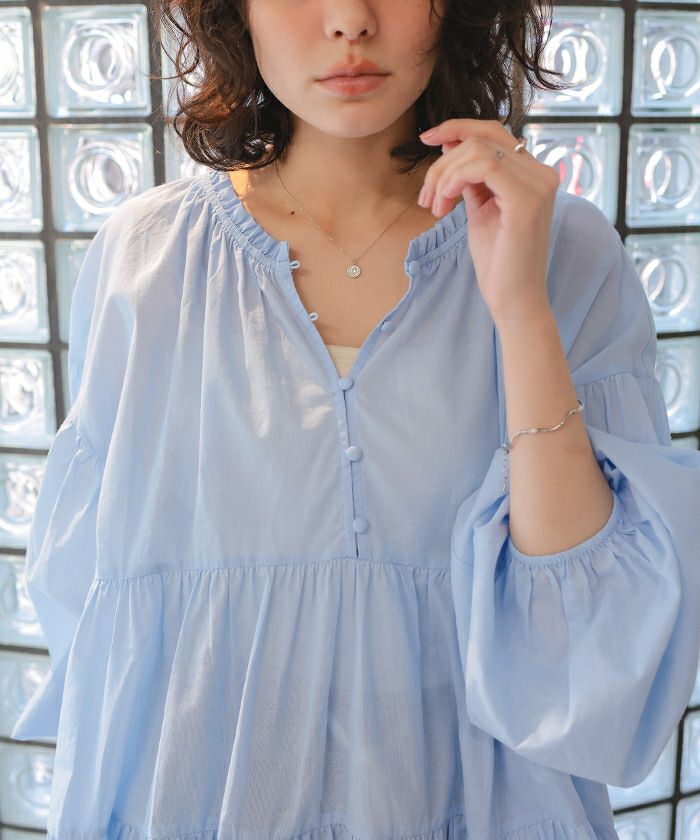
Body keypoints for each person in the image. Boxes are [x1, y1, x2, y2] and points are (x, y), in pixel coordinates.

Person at [11, 0, 700, 837]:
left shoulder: (563, 250)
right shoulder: (146, 258)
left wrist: (519, 305)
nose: (349, 20)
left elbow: (586, 654)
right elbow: (105, 640)